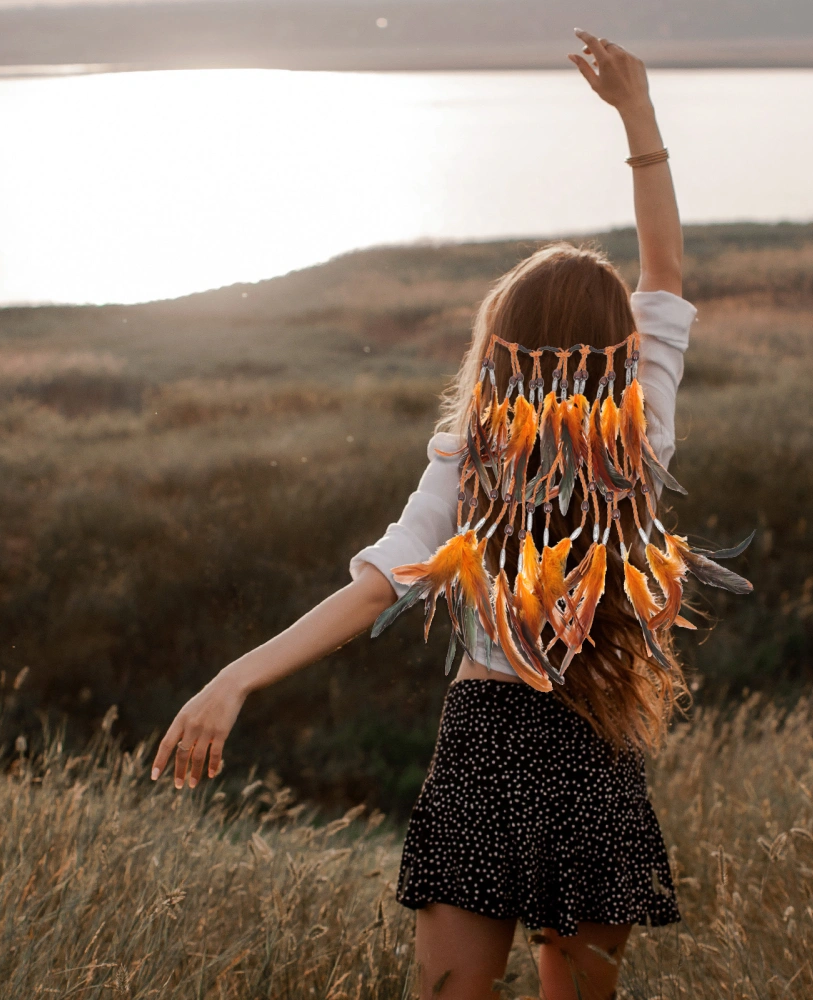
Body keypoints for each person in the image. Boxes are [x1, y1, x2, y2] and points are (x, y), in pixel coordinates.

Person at [152, 29, 695, 1000]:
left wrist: (235, 677)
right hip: (595, 742)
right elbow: (664, 271)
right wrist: (638, 117)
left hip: (488, 738)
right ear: (614, 348)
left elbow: (370, 592)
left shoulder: (468, 467)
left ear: (504, 348)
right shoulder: (638, 435)